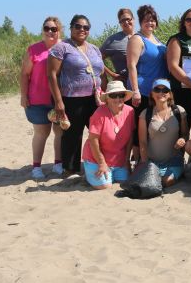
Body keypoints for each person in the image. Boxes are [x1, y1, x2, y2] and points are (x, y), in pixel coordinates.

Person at [48, 14, 106, 176]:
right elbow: (52, 74)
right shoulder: (62, 48)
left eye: (86, 27)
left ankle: (100, 162)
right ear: (71, 27)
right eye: (78, 26)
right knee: (73, 134)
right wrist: (58, 101)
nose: (82, 29)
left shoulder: (94, 49)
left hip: (95, 98)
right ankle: (71, 168)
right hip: (72, 98)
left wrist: (107, 94)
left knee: (99, 132)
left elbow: (101, 72)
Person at [20, 16, 64, 179]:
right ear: (43, 30)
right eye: (47, 28)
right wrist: (23, 96)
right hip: (37, 99)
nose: (50, 32)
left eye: (54, 29)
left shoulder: (65, 48)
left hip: (59, 100)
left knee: (60, 132)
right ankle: (36, 167)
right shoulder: (34, 49)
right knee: (41, 133)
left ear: (59, 30)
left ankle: (58, 164)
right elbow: (24, 74)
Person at [127, 4, 168, 160]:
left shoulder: (157, 39)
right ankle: (137, 161)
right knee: (139, 127)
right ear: (140, 22)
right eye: (146, 20)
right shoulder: (137, 39)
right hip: (142, 91)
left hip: (158, 92)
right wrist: (135, 90)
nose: (149, 23)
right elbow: (131, 65)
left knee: (152, 126)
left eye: (152, 20)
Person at [81, 81, 135, 189]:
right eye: (114, 95)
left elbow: (131, 137)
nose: (117, 98)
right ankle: (88, 173)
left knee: (124, 181)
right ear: (107, 98)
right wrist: (101, 163)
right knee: (105, 186)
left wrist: (127, 160)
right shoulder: (99, 113)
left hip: (118, 159)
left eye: (121, 95)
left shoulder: (130, 111)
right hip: (96, 158)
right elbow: (93, 140)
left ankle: (106, 173)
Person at [139, 79, 188, 187]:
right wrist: (144, 163)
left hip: (174, 160)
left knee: (167, 181)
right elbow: (142, 142)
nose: (161, 93)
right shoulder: (145, 114)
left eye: (165, 90)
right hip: (152, 161)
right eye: (157, 89)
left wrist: (183, 139)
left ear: (170, 94)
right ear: (152, 94)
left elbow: (185, 134)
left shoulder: (179, 111)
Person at [100, 8, 136, 83]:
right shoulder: (113, 40)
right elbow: (96, 59)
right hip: (124, 85)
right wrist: (112, 74)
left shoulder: (142, 37)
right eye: (122, 21)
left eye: (128, 19)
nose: (126, 22)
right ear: (120, 23)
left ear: (133, 19)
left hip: (143, 84)